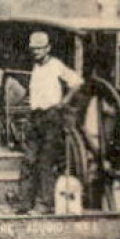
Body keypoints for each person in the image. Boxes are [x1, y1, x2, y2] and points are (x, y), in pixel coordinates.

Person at [18, 30, 83, 214]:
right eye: (33, 49)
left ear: (48, 48)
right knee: (29, 160)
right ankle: (24, 203)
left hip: (51, 117)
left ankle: (43, 204)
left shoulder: (55, 65)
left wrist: (64, 102)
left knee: (46, 161)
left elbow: (76, 82)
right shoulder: (35, 68)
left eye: (39, 49)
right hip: (35, 117)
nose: (36, 52)